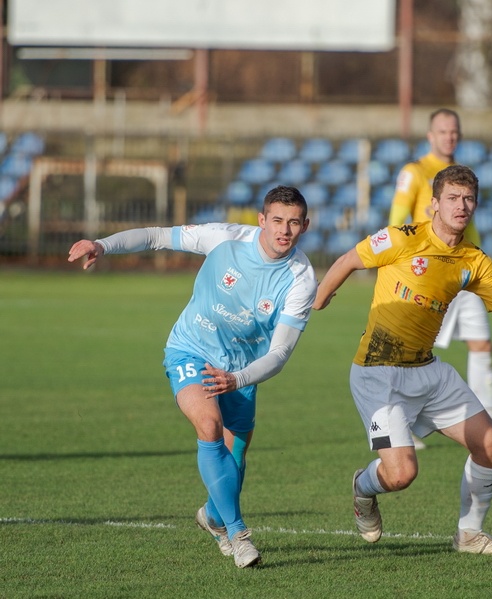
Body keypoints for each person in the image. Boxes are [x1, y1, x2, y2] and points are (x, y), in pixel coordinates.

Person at [314, 164, 492, 555]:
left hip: (428, 370)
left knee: (491, 443)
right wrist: (320, 298)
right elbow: (348, 260)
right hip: (378, 373)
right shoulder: (403, 239)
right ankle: (362, 488)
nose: (462, 206)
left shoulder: (474, 261)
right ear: (434, 204)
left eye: (469, 199)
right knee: (402, 473)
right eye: (453, 198)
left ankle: (470, 534)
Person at [67, 185, 317, 569]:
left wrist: (237, 379)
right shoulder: (225, 238)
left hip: (240, 370)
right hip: (190, 349)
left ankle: (214, 519)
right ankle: (238, 533)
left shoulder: (301, 278)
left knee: (236, 455)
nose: (284, 230)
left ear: (305, 226)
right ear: (261, 220)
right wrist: (102, 245)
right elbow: (156, 236)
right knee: (208, 422)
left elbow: (280, 352)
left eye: (294, 223)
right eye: (278, 220)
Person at [389, 108, 492, 449]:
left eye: (454, 131)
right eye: (442, 131)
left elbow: (471, 225)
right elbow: (397, 218)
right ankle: (398, 421)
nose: (449, 137)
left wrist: (481, 260)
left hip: (465, 269)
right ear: (430, 135)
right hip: (430, 272)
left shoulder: (463, 175)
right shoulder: (415, 172)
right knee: (411, 349)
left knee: (482, 343)